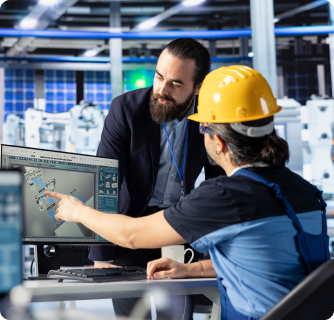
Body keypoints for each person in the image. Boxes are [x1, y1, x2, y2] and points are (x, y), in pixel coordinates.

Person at [45, 65, 330, 320]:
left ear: (218, 141)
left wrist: (77, 211)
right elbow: (267, 265)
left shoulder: (226, 196)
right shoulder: (304, 190)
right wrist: (190, 270)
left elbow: (131, 235)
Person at [89, 37, 224, 319]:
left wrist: (214, 249)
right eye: (159, 76)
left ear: (198, 87)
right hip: (129, 227)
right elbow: (106, 181)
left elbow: (219, 185)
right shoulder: (126, 109)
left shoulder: (211, 117)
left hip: (177, 227)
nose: (162, 89)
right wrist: (103, 254)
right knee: (132, 316)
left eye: (176, 83)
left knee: (176, 316)